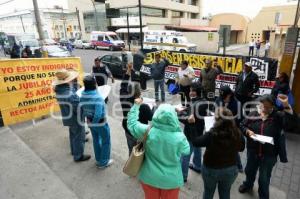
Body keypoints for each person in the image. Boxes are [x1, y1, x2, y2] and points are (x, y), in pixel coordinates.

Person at [127, 100, 190, 199]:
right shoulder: (179, 137)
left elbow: (132, 124)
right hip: (171, 180)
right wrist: (176, 127)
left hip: (149, 178)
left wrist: (136, 106)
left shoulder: (148, 131)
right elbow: (186, 150)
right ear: (174, 118)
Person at [238, 94, 297, 199]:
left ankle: (263, 196)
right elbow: (242, 125)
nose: (264, 109)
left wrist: (286, 105)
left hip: (269, 155)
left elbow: (292, 122)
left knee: (264, 178)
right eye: (262, 106)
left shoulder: (277, 117)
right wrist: (247, 131)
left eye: (267, 106)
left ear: (272, 106)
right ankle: (248, 184)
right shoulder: (254, 114)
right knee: (249, 171)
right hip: (253, 151)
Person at [193, 107, 245, 199]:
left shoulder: (211, 134)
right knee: (225, 192)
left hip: (211, 169)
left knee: (208, 192)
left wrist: (192, 125)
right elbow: (241, 148)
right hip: (230, 169)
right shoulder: (237, 132)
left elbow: (196, 142)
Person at [53, 69, 90, 162]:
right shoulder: (70, 95)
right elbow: (79, 109)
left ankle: (74, 151)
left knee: (73, 135)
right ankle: (78, 156)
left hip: (67, 117)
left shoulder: (59, 91)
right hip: (75, 119)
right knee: (79, 137)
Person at [80, 75, 113, 168]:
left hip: (90, 122)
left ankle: (98, 159)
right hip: (100, 123)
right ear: (94, 84)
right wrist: (94, 122)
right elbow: (98, 114)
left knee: (96, 140)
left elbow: (82, 109)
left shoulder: (82, 95)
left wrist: (89, 121)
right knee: (106, 141)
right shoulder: (98, 98)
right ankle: (103, 162)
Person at [177, 82, 208, 183]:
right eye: (190, 90)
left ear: (196, 92)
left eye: (191, 91)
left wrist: (178, 113)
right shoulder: (203, 101)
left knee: (185, 154)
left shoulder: (195, 104)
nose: (190, 92)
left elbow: (188, 119)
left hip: (190, 132)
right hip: (199, 130)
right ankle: (197, 166)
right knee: (197, 148)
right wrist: (186, 110)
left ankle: (183, 176)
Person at [120, 63, 153, 155]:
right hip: (140, 132)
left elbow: (123, 85)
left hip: (128, 129)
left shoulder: (124, 99)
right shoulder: (144, 107)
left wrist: (128, 70)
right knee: (140, 152)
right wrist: (152, 108)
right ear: (139, 93)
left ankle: (131, 165)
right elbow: (151, 118)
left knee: (131, 150)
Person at [215, 85, 243, 172]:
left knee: (233, 149)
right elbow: (214, 110)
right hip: (220, 129)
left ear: (230, 95)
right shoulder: (218, 100)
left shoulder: (237, 104)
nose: (223, 99)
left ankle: (239, 166)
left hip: (231, 130)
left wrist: (228, 120)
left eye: (225, 97)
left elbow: (240, 119)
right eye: (221, 97)